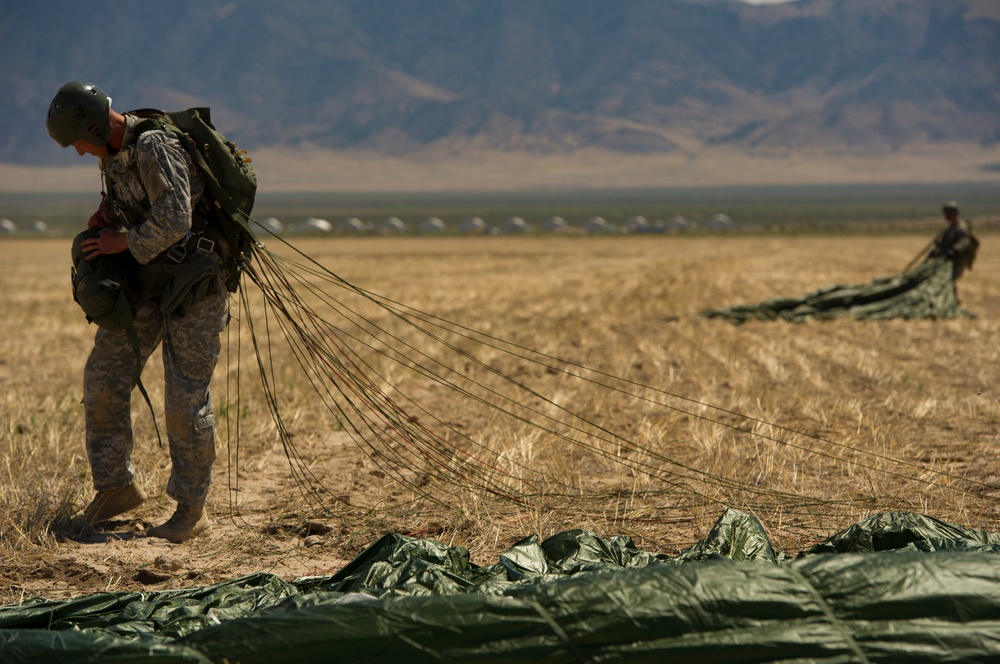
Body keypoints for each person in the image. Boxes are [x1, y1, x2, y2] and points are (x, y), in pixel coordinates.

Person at [46, 81, 230, 542]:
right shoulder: (113, 156)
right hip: (147, 284)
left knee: (184, 400)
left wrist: (123, 242)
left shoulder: (154, 145)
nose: (81, 154)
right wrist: (106, 219)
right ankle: (116, 488)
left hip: (195, 285)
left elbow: (176, 217)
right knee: (104, 379)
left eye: (80, 143)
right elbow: (131, 204)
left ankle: (192, 510)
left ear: (91, 125)